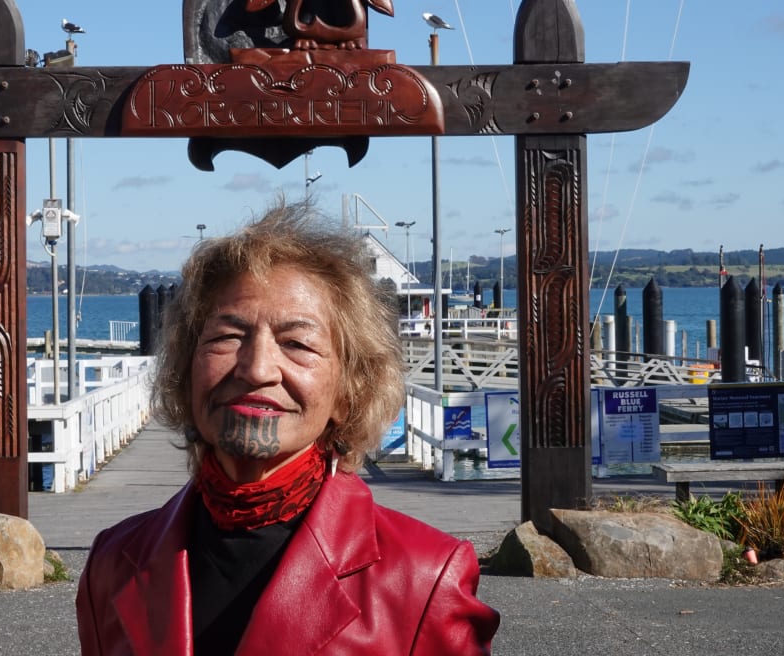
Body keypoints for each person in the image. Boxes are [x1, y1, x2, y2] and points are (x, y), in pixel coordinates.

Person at [76, 200, 499, 655]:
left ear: (349, 391)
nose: (257, 369)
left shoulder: (424, 578)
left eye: (296, 343)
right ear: (186, 370)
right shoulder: (113, 565)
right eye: (227, 337)